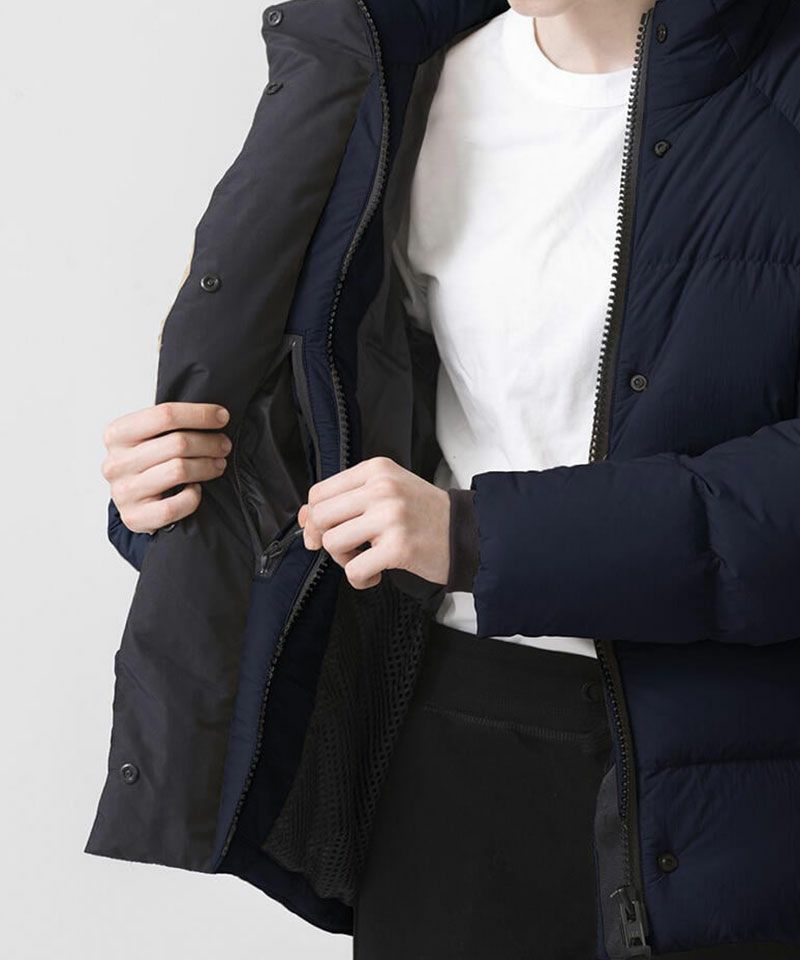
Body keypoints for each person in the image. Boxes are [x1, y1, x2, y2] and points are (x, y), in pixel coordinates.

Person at [90, 0, 800, 958]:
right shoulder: (408, 87)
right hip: (458, 745)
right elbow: (334, 411)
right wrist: (181, 496)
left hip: (742, 763)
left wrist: (483, 536)